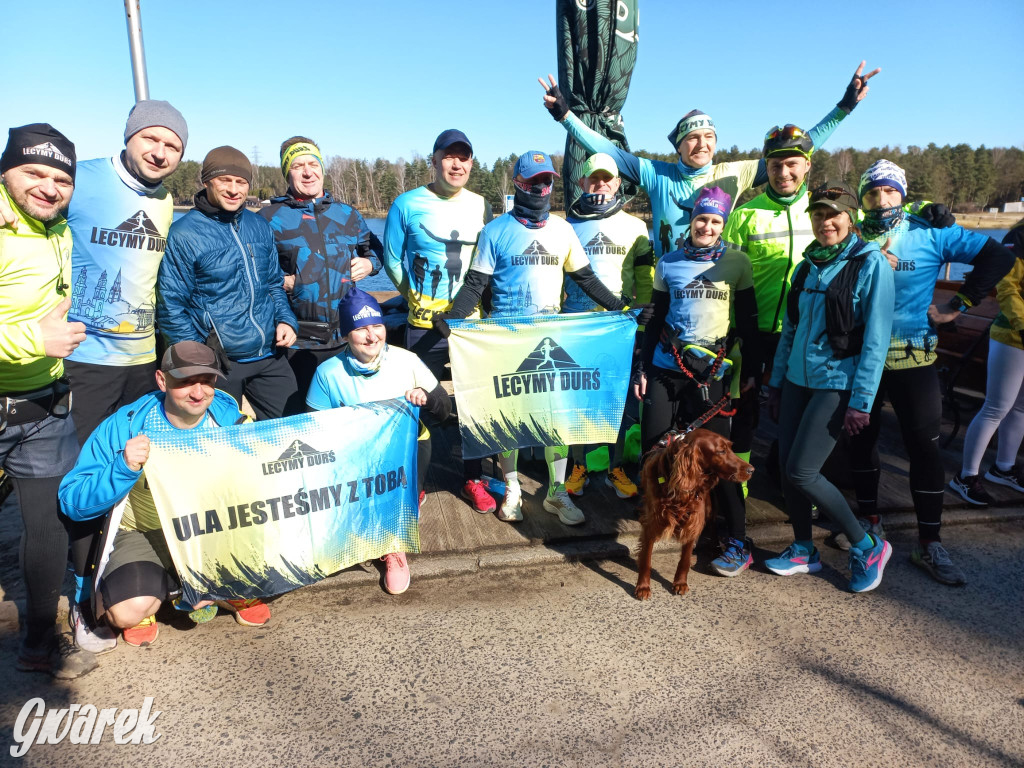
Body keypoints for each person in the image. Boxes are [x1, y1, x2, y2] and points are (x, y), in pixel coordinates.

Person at [847, 160, 1014, 585]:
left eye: (889, 191)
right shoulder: (850, 234)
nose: (881, 200)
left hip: (915, 359)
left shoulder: (930, 232)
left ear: (902, 194)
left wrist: (957, 308)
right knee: (862, 444)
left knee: (924, 448)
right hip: (862, 361)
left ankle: (930, 543)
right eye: (872, 193)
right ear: (863, 198)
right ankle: (870, 524)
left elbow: (998, 258)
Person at [439, 151, 629, 525]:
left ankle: (556, 492)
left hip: (549, 337)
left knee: (556, 421)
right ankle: (512, 489)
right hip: (506, 340)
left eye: (548, 181)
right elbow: (476, 284)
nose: (542, 188)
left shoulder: (562, 230)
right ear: (518, 185)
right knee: (509, 419)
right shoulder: (495, 231)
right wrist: (454, 317)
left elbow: (586, 279)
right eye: (534, 181)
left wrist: (621, 308)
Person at [538, 61, 879, 256]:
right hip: (668, 280)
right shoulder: (657, 174)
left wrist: (843, 108)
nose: (702, 144)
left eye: (709, 138)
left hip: (716, 283)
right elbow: (608, 149)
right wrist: (566, 117)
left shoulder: (735, 173)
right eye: (693, 138)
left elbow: (796, 151)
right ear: (679, 146)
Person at [58, 341, 272, 648]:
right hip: (145, 532)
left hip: (213, 527)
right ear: (162, 380)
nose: (198, 393)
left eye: (207, 381)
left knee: (278, 565)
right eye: (185, 382)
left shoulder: (232, 420)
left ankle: (216, 588)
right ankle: (174, 590)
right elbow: (71, 501)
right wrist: (122, 467)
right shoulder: (125, 425)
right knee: (127, 613)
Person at [764, 180, 895, 593]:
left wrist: (862, 402)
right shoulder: (806, 266)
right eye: (818, 215)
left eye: (834, 214)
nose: (826, 222)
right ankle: (804, 548)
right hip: (796, 382)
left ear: (850, 218)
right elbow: (791, 330)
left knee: (804, 471)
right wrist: (776, 383)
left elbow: (877, 339)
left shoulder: (871, 264)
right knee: (788, 471)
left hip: (836, 385)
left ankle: (866, 544)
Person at [0, 123, 96, 677]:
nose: (50, 187)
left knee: (46, 525)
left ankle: (39, 637)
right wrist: (32, 340)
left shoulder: (55, 227)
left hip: (41, 406)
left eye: (62, 178)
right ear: (6, 170)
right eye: (34, 172)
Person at [632, 187, 759, 576]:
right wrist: (641, 367)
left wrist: (752, 372)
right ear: (692, 220)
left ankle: (734, 536)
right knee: (656, 450)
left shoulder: (737, 263)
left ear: (723, 224)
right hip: (665, 367)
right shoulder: (668, 262)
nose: (707, 226)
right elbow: (655, 319)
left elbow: (749, 322)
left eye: (715, 221)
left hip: (712, 374)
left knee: (719, 458)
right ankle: (658, 517)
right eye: (702, 219)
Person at [306, 288, 451, 595]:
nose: (372, 336)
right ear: (346, 335)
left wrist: (426, 399)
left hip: (409, 450)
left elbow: (444, 408)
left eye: (377, 326)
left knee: (397, 500)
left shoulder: (407, 360)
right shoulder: (327, 373)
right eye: (360, 329)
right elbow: (313, 430)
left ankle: (394, 548)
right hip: (356, 455)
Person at [382, 129, 495, 513]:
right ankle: (416, 479)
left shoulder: (481, 205)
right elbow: (392, 259)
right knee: (419, 401)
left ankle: (473, 478)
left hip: (469, 326)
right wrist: (412, 294)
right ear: (434, 160)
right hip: (422, 324)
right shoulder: (406, 204)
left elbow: (488, 263)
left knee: (474, 404)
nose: (457, 163)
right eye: (449, 156)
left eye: (464, 157)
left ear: (471, 164)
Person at [156, 146, 300, 419]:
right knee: (220, 442)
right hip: (219, 362)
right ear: (207, 181)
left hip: (269, 354)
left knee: (291, 429)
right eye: (225, 180)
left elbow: (273, 284)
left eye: (241, 182)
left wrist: (285, 320)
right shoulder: (184, 234)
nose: (234, 189)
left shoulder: (258, 226)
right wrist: (198, 359)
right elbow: (172, 306)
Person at [258, 136, 382, 407]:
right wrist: (286, 281)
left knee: (345, 415)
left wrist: (370, 264)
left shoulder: (347, 214)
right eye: (297, 165)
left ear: (322, 168)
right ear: (287, 173)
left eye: (313, 163)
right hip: (296, 343)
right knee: (301, 418)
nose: (307, 171)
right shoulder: (269, 218)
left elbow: (377, 249)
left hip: (345, 338)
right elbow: (253, 270)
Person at [562, 152, 653, 500]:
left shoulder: (635, 226)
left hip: (620, 329)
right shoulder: (567, 224)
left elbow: (644, 280)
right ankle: (578, 465)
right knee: (577, 403)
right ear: (582, 182)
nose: (601, 184)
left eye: (607, 179)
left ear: (618, 183)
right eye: (594, 179)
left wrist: (642, 322)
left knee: (619, 403)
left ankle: (616, 466)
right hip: (575, 326)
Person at [951, 220, 1024, 504]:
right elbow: (1007, 287)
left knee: (1020, 408)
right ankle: (966, 476)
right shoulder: (1018, 236)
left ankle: (1003, 468)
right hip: (1012, 335)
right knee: (996, 407)